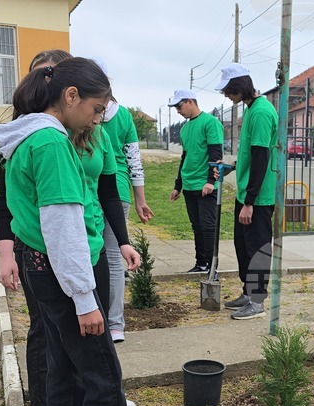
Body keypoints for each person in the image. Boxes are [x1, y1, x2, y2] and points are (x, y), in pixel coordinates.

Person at [0, 57, 148, 406]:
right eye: (97, 109)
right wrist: (85, 299)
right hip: (62, 275)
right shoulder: (51, 144)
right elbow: (63, 228)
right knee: (102, 374)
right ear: (71, 97)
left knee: (64, 369)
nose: (99, 119)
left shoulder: (30, 136)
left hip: (43, 269)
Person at [216, 63, 278, 320]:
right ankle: (248, 292)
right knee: (243, 246)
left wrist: (250, 201)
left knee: (257, 248)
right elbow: (250, 156)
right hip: (247, 195)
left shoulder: (262, 112)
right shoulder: (252, 109)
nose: (227, 96)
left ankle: (258, 300)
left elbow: (261, 157)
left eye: (229, 91)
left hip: (258, 198)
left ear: (239, 86)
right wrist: (232, 167)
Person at [100, 92, 153, 342]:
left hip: (87, 188)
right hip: (118, 190)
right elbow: (134, 161)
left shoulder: (77, 109)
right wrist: (141, 199)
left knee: (93, 254)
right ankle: (115, 325)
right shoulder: (123, 116)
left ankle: (98, 317)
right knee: (113, 258)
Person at [167, 88, 224, 273]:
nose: (178, 110)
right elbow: (185, 156)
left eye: (179, 105)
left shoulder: (210, 123)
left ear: (190, 101)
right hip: (190, 184)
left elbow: (216, 153)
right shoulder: (185, 128)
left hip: (205, 185)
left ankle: (211, 265)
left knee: (208, 226)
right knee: (197, 226)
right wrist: (178, 186)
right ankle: (200, 263)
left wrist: (210, 180)